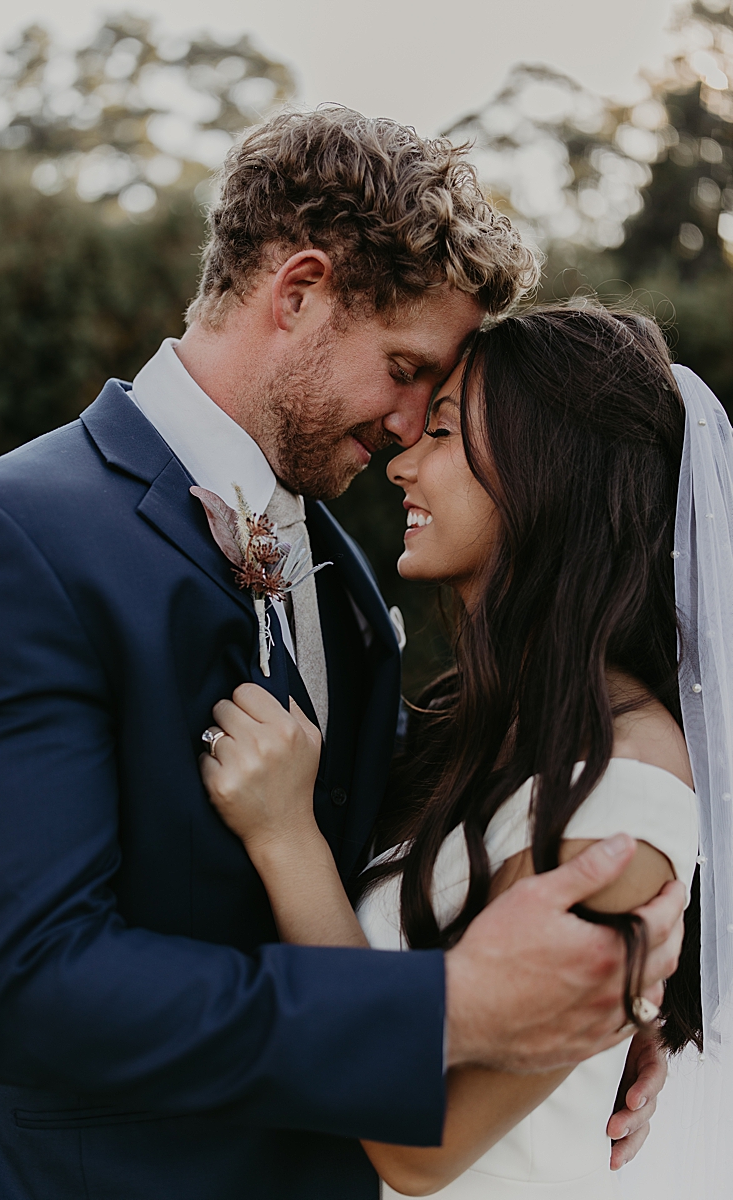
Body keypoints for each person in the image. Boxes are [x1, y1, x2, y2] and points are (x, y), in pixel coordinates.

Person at [0, 108, 684, 1199]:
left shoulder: (342, 567)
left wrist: (588, 1021)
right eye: (405, 368)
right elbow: (27, 989)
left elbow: (409, 856)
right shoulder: (16, 531)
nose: (410, 426)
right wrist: (462, 1015)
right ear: (298, 293)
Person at [198, 305, 700, 1197]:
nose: (401, 461)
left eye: (442, 431)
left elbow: (419, 1150)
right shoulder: (484, 722)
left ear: (553, 473)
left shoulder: (624, 794)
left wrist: (287, 840)